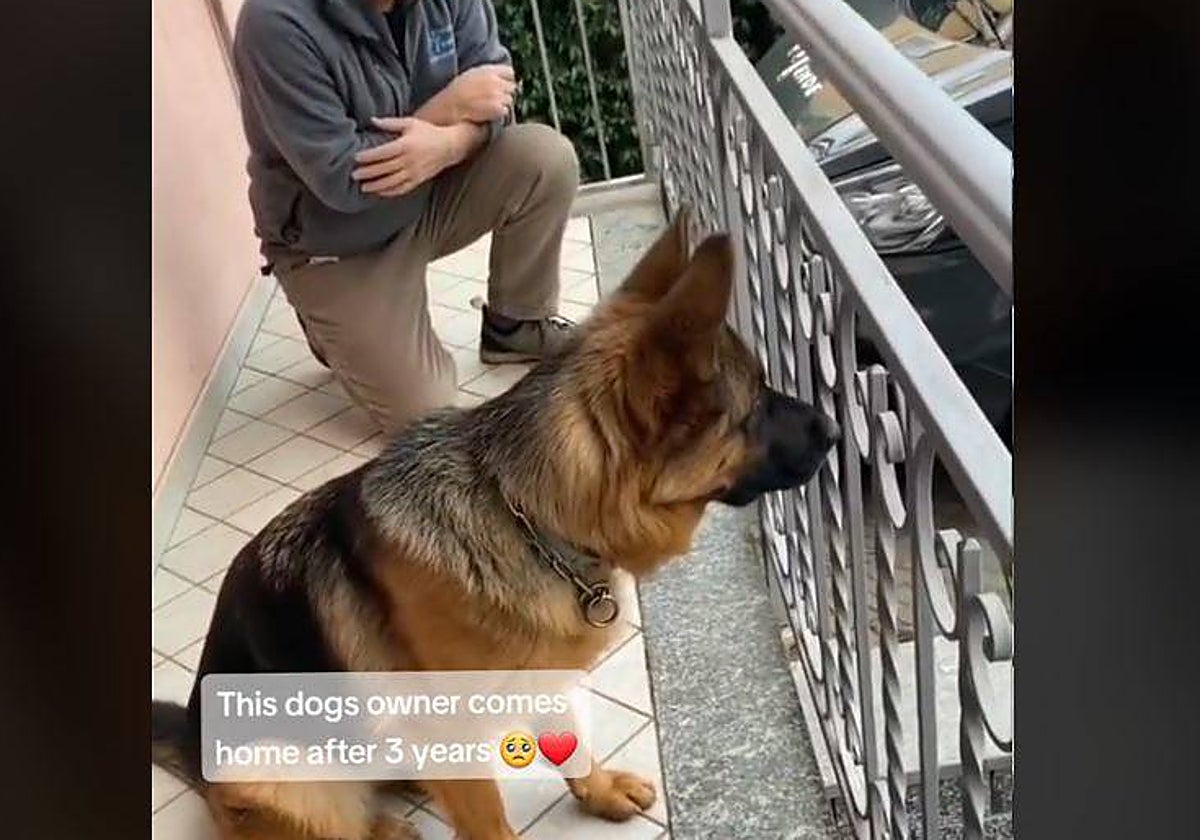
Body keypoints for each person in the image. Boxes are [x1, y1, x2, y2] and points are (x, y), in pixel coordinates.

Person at [232, 0, 580, 431]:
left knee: (545, 158)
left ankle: (516, 326)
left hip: (430, 189)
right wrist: (445, 111)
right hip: (334, 240)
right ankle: (327, 324)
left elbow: (496, 96)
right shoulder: (274, 25)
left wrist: (449, 146)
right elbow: (342, 176)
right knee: (426, 415)